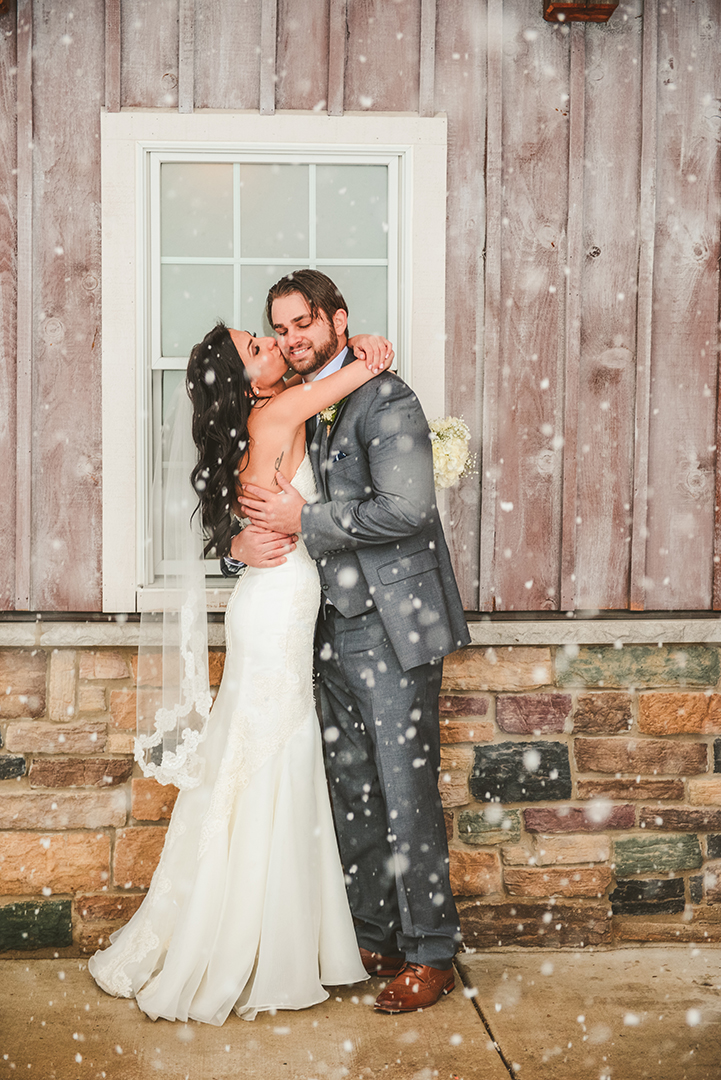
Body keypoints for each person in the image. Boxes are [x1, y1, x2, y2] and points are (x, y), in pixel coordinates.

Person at [87, 321, 394, 1024]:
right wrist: (371, 350)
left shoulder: (263, 416)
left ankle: (263, 929)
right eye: (260, 346)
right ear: (246, 380)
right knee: (269, 752)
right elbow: (351, 375)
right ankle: (252, 943)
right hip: (279, 604)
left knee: (257, 752)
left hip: (274, 601)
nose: (276, 347)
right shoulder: (280, 409)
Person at [230, 270, 472, 1014]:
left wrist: (306, 521)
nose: (293, 338)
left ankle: (431, 951)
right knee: (353, 796)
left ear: (339, 320)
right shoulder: (286, 403)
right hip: (320, 630)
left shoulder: (386, 395)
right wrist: (244, 543)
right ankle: (376, 935)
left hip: (392, 629)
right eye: (281, 328)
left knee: (405, 797)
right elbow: (245, 498)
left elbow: (404, 508)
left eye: (305, 323)